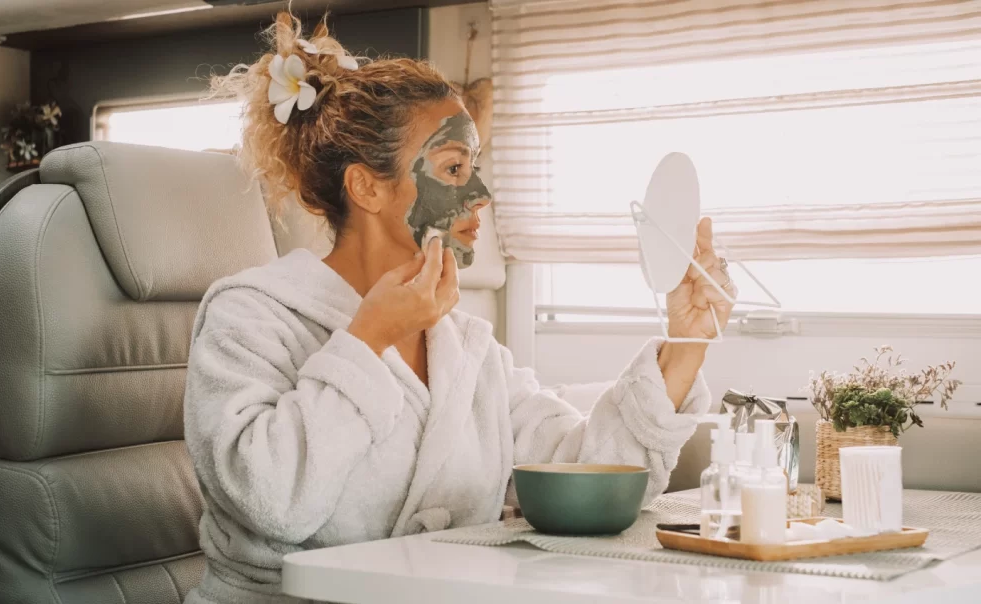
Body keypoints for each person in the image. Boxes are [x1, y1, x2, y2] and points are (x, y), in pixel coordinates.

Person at [183, 13, 737, 604]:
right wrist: (368, 339)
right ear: (367, 187)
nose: (482, 196)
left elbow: (587, 481)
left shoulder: (468, 348)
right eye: (454, 169)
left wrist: (686, 345)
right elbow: (271, 500)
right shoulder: (249, 318)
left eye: (476, 169)